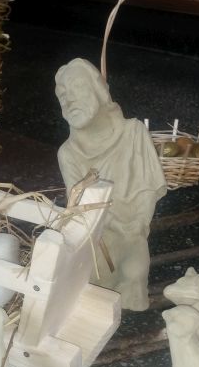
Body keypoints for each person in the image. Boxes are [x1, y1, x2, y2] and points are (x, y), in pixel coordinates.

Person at [56, 58, 167, 311]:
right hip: (99, 237)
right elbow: (80, 208)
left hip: (132, 232)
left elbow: (147, 192)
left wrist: (136, 227)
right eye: (62, 95)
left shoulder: (133, 133)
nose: (69, 100)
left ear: (99, 91)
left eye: (77, 88)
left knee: (133, 271)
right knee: (89, 281)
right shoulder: (68, 153)